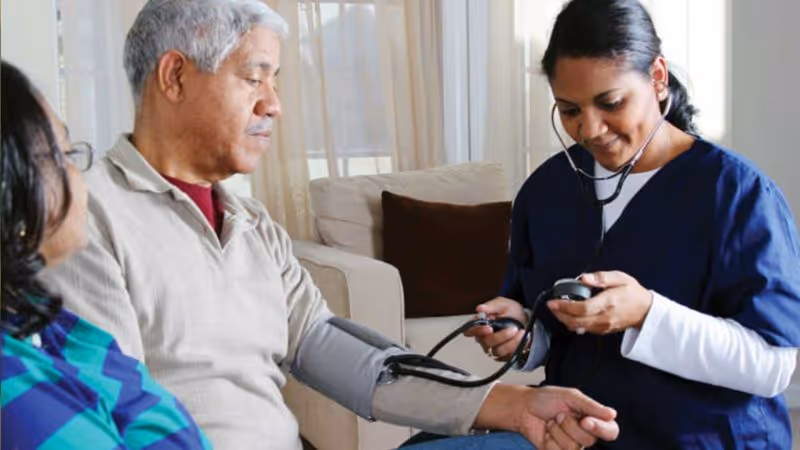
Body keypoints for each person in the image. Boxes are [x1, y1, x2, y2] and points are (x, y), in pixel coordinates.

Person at [41, 1, 620, 449]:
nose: (275, 104)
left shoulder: (252, 223)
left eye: (277, 81)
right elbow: (107, 411)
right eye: (254, 77)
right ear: (175, 76)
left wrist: (510, 405)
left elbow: (328, 347)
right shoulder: (88, 217)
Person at [466, 0, 800, 448]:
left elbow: (771, 368)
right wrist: (521, 336)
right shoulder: (546, 191)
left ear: (657, 78)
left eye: (611, 103)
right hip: (573, 435)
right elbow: (548, 332)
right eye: (569, 110)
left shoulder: (737, 195)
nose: (590, 129)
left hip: (705, 440)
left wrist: (646, 314)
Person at [0, 61, 213, 449]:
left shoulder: (47, 320)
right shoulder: (15, 395)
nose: (271, 103)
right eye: (63, 154)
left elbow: (142, 402)